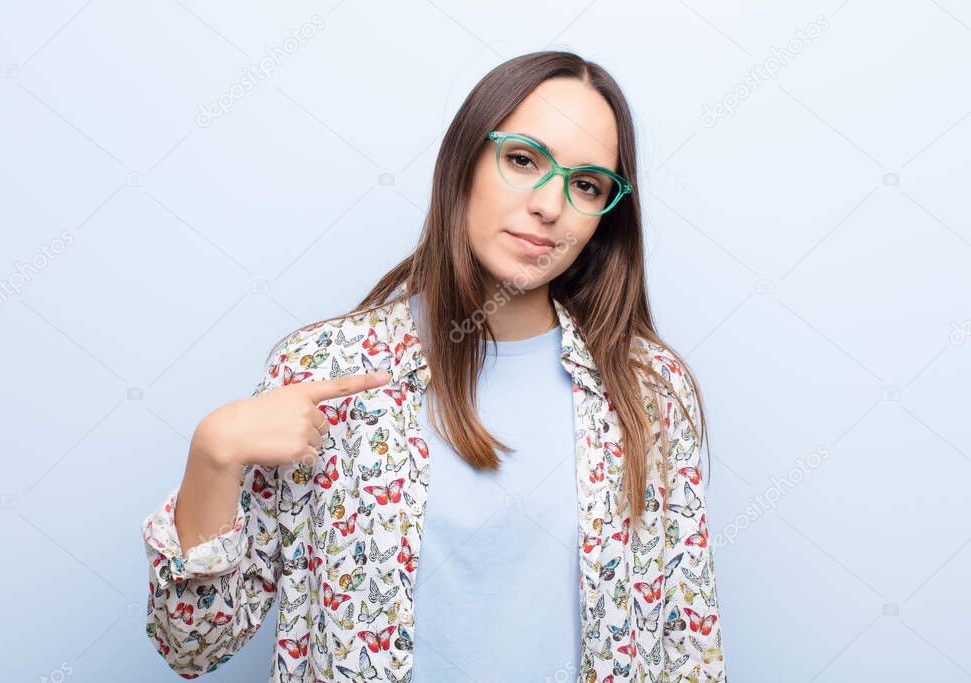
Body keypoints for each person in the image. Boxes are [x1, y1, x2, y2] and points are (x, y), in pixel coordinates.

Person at [141, 50, 727, 682]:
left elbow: (686, 656)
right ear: (464, 163)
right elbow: (192, 648)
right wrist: (213, 453)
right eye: (524, 159)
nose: (551, 205)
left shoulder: (649, 392)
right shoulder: (324, 371)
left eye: (586, 184)